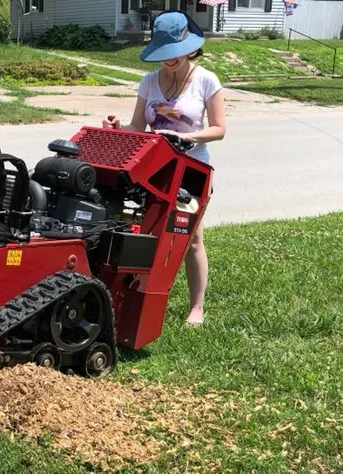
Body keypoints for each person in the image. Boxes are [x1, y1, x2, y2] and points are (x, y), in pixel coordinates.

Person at [102, 10, 226, 327]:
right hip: (154, 170)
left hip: (192, 171)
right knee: (146, 234)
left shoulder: (206, 80)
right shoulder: (148, 82)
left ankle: (196, 308)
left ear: (190, 48)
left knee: (191, 239)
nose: (168, 60)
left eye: (174, 54)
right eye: (163, 54)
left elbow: (219, 129)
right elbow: (138, 126)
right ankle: (138, 298)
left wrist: (185, 137)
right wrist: (118, 128)